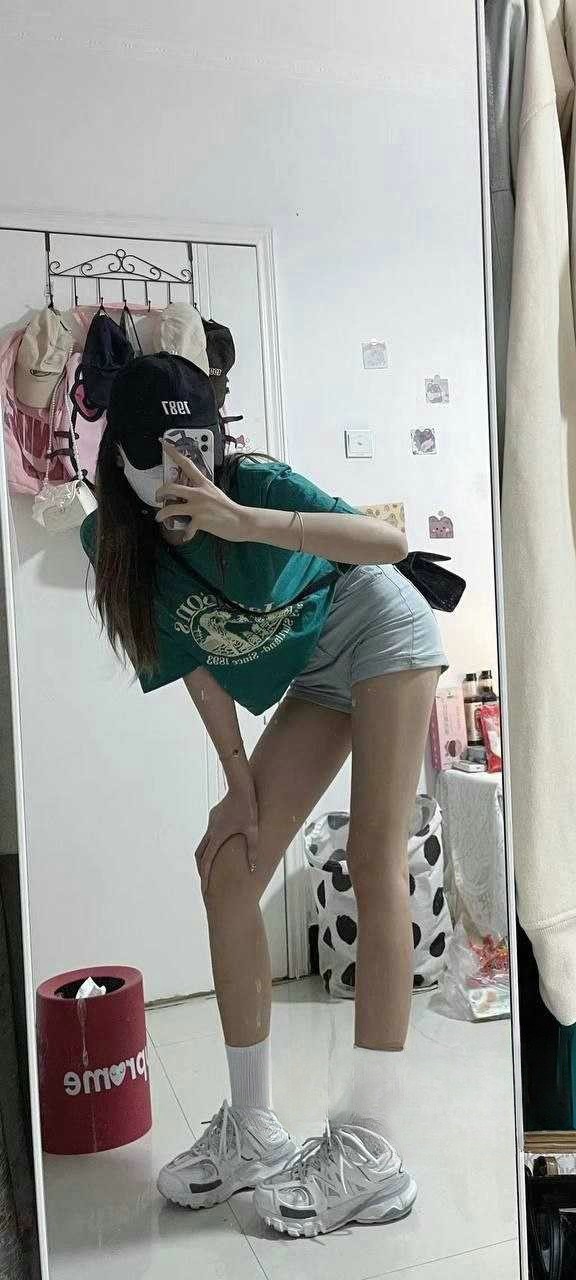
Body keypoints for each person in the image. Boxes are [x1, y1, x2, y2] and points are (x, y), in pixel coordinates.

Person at [81, 353, 446, 1237]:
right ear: (120, 457)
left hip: (382, 625)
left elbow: (389, 547)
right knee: (228, 867)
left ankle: (371, 1148)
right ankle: (253, 1129)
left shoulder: (253, 485)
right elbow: (191, 661)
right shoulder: (114, 542)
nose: (182, 470)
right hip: (318, 672)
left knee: (372, 859)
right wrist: (238, 787)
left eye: (197, 446)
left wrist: (246, 520)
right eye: (160, 453)